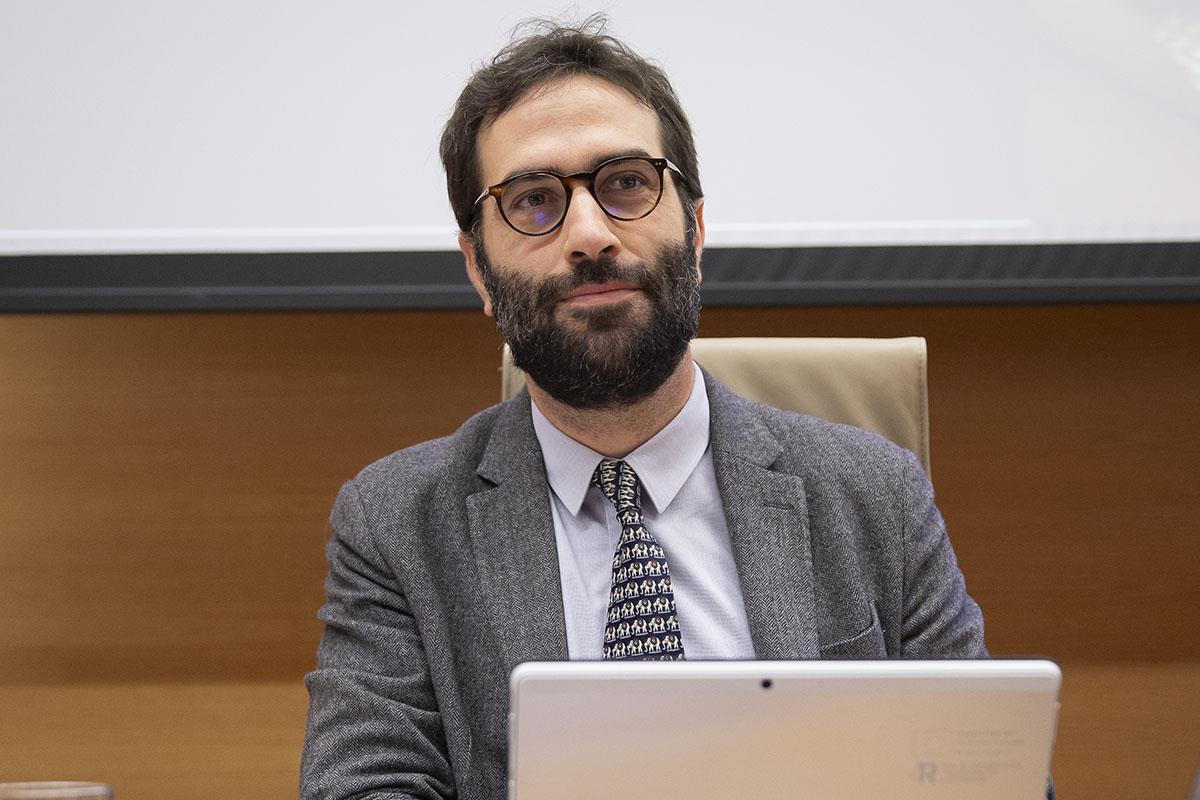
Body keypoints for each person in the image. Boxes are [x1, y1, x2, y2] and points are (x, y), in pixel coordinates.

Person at [300, 17, 988, 800]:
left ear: (694, 229)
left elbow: (982, 774)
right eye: (533, 200)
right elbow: (363, 786)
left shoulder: (876, 496)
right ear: (480, 273)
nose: (590, 234)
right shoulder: (397, 523)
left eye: (626, 183)